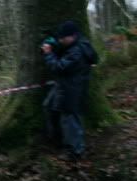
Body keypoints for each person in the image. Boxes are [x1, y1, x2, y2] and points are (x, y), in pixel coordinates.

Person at [41, 21, 99, 160]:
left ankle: (75, 151)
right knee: (49, 106)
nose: (60, 40)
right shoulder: (77, 45)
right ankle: (57, 141)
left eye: (63, 38)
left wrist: (48, 54)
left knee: (70, 119)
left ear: (72, 36)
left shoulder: (77, 52)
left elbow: (59, 67)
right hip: (65, 87)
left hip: (72, 90)